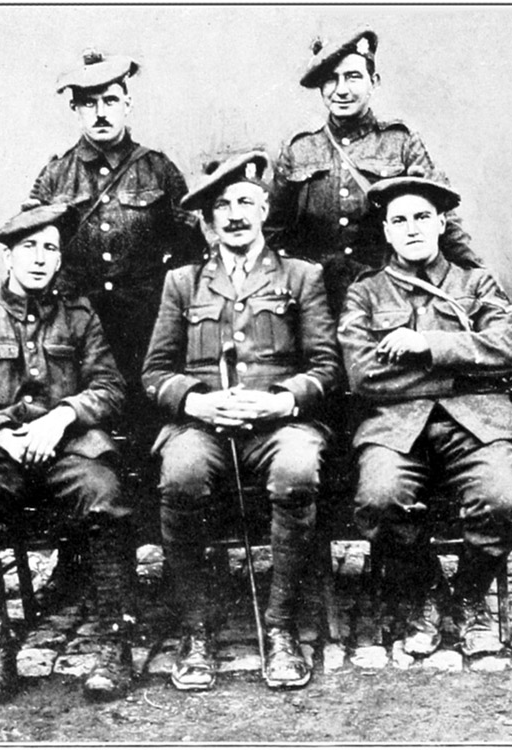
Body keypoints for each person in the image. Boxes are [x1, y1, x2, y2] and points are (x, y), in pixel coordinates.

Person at [142, 151, 342, 690]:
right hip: (203, 426)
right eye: (223, 206)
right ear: (208, 220)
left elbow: (327, 367)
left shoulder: (302, 276)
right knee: (181, 475)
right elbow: (155, 372)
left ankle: (281, 627)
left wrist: (283, 400)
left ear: (265, 211)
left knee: (297, 471)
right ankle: (196, 631)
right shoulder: (183, 283)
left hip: (280, 425)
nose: (235, 215)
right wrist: (195, 402)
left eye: (246, 202)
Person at [0, 204, 138, 705]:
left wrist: (62, 416)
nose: (41, 258)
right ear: (8, 257)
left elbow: (109, 386)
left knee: (106, 498)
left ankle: (113, 649)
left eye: (50, 248)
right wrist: (2, 434)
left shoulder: (79, 315)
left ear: (60, 258)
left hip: (67, 449)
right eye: (29, 248)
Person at [337, 175, 512, 657]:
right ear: (386, 231)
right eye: (399, 220)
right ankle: (425, 589)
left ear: (442, 223)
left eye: (423, 217)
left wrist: (428, 345)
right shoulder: (365, 293)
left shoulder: (475, 282)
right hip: (395, 426)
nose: (412, 228)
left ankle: (469, 594)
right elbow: (363, 374)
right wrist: (463, 369)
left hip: (478, 424)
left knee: (504, 503)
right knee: (379, 500)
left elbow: (511, 346)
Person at [266, 28, 483, 319]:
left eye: (353, 77)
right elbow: (272, 233)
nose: (341, 89)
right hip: (315, 303)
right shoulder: (299, 149)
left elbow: (444, 224)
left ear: (374, 82)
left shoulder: (401, 143)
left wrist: (480, 283)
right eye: (331, 79)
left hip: (388, 301)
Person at [26, 48, 201, 391]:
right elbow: (33, 255)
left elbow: (190, 255)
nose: (101, 113)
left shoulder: (159, 170)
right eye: (89, 103)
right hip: (76, 329)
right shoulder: (54, 177)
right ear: (75, 108)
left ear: (127, 104)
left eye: (110, 100)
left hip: (148, 327)